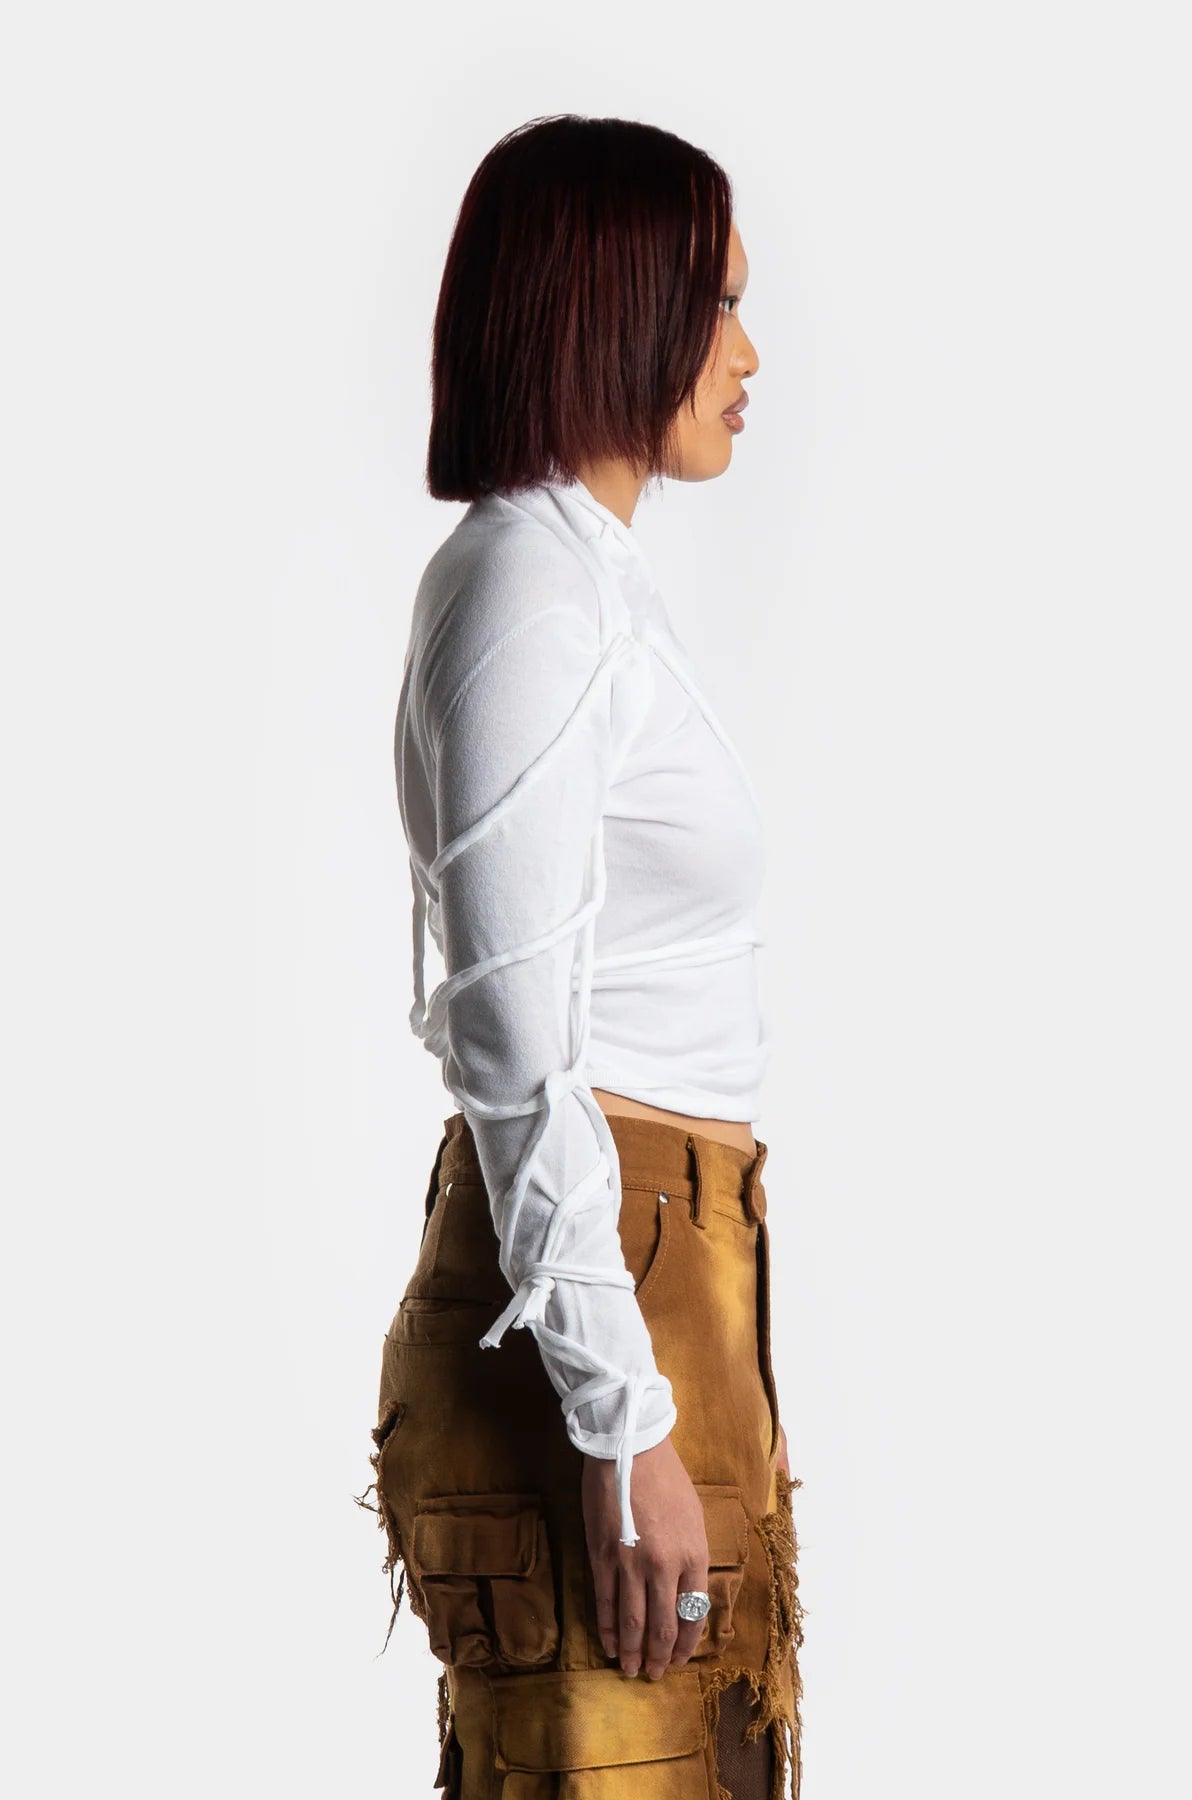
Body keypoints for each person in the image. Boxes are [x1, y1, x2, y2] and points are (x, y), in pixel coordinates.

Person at [355, 113, 806, 1800]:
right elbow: (515, 1049)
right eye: (720, 306)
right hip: (607, 1290)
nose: (749, 356)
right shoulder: (530, 597)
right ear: (616, 309)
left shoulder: (587, 586)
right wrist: (623, 1425)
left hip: (672, 1270)